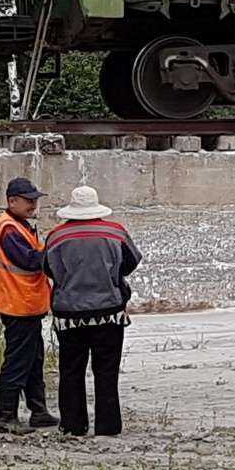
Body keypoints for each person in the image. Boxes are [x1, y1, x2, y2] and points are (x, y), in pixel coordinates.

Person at [44, 186, 141, 437]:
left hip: (69, 315)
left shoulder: (56, 236)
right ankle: (108, 427)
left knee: (71, 371)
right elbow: (131, 262)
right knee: (106, 371)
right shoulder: (115, 232)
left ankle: (73, 425)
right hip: (109, 311)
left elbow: (48, 269)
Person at [0, 177, 56, 433]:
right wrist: (54, 251)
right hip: (18, 304)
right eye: (28, 200)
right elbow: (29, 261)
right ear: (12, 201)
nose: (33, 204)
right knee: (17, 362)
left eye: (34, 199)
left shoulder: (20, 225)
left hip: (26, 304)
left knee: (33, 360)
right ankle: (7, 417)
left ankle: (38, 412)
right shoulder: (8, 228)